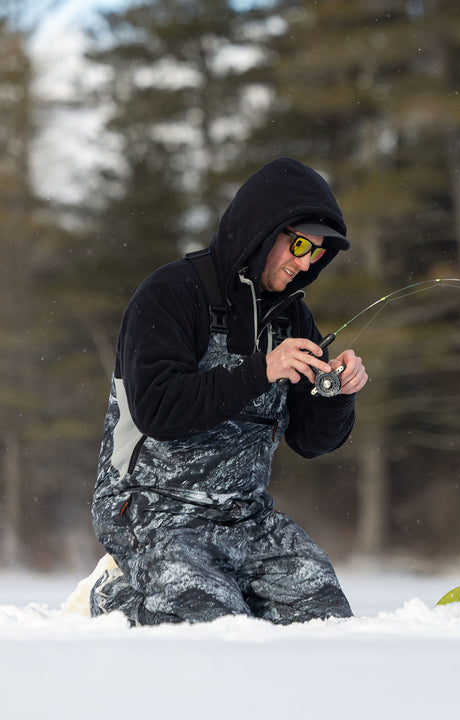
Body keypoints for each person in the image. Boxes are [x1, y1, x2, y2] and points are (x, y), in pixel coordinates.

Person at [89, 157, 368, 625]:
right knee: (210, 623)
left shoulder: (292, 318)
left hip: (246, 516)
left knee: (326, 621)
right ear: (261, 231)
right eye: (299, 243)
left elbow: (310, 441)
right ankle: (114, 594)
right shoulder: (171, 294)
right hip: (151, 508)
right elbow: (158, 409)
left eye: (317, 252)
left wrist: (337, 393)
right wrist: (260, 371)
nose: (305, 262)